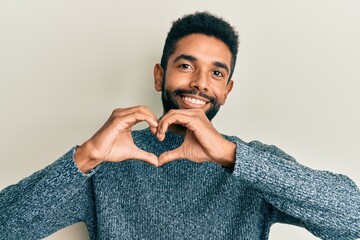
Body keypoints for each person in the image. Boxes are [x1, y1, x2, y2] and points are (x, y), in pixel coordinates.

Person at [0, 11, 359, 240]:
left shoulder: (254, 163)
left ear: (227, 90)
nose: (201, 83)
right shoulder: (107, 161)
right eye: (186, 66)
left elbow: (352, 219)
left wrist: (233, 157)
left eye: (217, 72)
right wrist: (85, 157)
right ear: (160, 76)